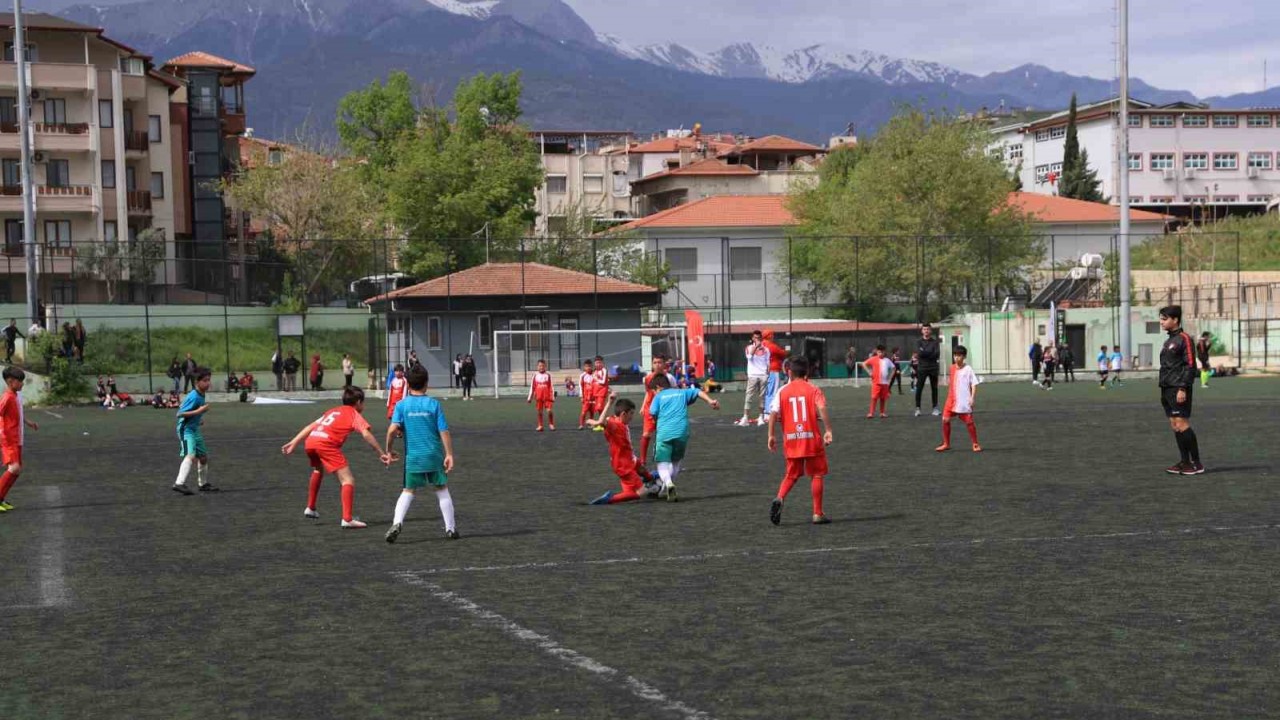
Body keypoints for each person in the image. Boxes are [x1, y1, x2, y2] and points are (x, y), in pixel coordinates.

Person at [282, 387, 389, 529]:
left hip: (311, 441)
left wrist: (294, 442)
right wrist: (381, 453)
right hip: (326, 444)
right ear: (358, 402)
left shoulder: (332, 411)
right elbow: (366, 434)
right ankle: (347, 519)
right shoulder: (353, 414)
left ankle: (311, 507)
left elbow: (311, 426)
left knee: (318, 469)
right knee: (348, 480)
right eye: (363, 403)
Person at [384, 365, 457, 543]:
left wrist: (389, 450)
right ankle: (450, 528)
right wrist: (449, 454)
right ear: (426, 383)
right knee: (441, 489)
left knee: (408, 490)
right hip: (433, 455)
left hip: (414, 457)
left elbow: (392, 430)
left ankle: (397, 523)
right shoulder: (434, 404)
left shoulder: (401, 405)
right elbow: (444, 431)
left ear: (407, 384)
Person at [766, 356, 833, 526]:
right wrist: (828, 430)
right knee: (816, 474)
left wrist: (771, 435)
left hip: (792, 440)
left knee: (791, 475)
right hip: (811, 439)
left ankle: (780, 498)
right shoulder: (813, 389)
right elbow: (822, 407)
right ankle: (817, 513)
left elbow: (773, 413)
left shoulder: (783, 391)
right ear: (808, 371)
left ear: (789, 372)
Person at [647, 373, 720, 501]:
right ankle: (666, 487)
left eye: (653, 391)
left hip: (664, 433)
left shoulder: (658, 397)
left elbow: (652, 413)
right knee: (675, 462)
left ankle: (668, 483)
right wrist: (710, 401)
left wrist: (657, 420)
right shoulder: (681, 392)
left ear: (658, 387)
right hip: (681, 432)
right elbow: (697, 391)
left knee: (662, 463)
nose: (654, 393)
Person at [587, 394, 658, 505]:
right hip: (623, 465)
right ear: (623, 414)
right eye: (631, 414)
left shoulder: (614, 420)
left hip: (629, 459)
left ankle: (651, 478)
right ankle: (610, 499)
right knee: (642, 493)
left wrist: (593, 422)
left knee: (641, 470)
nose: (632, 417)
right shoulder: (615, 425)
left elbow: (602, 421)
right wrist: (609, 402)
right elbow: (601, 422)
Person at [1158, 306, 1204, 475]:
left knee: (1182, 424)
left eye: (1164, 318)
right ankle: (1184, 462)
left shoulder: (1184, 339)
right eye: (1161, 318)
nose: (1161, 322)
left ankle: (1196, 463)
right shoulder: (1169, 341)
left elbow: (1190, 365)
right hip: (1166, 388)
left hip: (1178, 388)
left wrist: (1183, 388)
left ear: (1175, 320)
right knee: (1175, 425)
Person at [171, 367, 217, 495]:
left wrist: (198, 419)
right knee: (190, 455)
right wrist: (199, 412)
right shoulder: (193, 396)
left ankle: (203, 485)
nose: (208, 383)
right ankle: (179, 483)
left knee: (203, 457)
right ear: (197, 382)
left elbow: (193, 412)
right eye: (205, 380)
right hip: (185, 430)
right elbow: (179, 414)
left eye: (209, 380)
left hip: (194, 429)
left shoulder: (201, 394)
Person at [0, 367, 37, 513]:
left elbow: (17, 414)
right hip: (8, 438)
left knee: (17, 470)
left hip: (16, 438)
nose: (22, 384)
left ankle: (1, 498)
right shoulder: (7, 397)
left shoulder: (15, 395)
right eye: (20, 381)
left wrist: (28, 422)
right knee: (14, 468)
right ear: (10, 381)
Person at [936, 345, 981, 453]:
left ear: (964, 357)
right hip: (951, 400)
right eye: (955, 355)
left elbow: (974, 384)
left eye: (959, 355)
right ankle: (946, 444)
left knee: (969, 422)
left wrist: (972, 398)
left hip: (963, 401)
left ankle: (975, 443)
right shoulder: (951, 368)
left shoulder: (968, 369)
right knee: (945, 420)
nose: (956, 358)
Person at [737, 330, 770, 426]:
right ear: (752, 338)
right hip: (752, 376)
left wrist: (767, 374)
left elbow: (768, 363)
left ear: (761, 338)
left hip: (763, 375)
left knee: (762, 397)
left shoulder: (766, 350)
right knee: (749, 396)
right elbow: (749, 357)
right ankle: (745, 417)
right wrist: (756, 346)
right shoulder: (749, 348)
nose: (758, 339)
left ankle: (761, 417)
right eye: (755, 338)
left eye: (759, 338)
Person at [638, 356, 667, 463]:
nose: (657, 365)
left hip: (663, 411)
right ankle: (642, 460)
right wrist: (642, 406)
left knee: (664, 436)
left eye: (660, 362)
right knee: (646, 434)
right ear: (652, 365)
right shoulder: (648, 378)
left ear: (664, 364)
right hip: (649, 410)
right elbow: (648, 392)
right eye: (655, 362)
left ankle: (665, 459)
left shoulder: (669, 378)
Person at [760, 329, 787, 424]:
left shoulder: (760, 345)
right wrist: (787, 350)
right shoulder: (771, 346)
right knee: (773, 392)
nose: (773, 336)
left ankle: (766, 413)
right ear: (769, 336)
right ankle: (769, 413)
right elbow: (783, 354)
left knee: (766, 392)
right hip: (773, 370)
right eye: (772, 334)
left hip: (762, 372)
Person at [915, 324, 941, 417]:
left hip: (933, 368)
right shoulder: (918, 342)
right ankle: (918, 408)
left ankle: (935, 408)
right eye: (924, 329)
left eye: (928, 329)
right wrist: (928, 353)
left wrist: (925, 352)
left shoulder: (935, 342)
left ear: (930, 331)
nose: (926, 331)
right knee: (919, 388)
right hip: (922, 368)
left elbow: (937, 354)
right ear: (922, 331)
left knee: (934, 388)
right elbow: (920, 354)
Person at [863, 345, 894, 418]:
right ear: (877, 352)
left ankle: (882, 413)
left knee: (883, 398)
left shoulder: (887, 360)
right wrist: (869, 372)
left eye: (882, 352)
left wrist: (890, 377)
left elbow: (893, 368)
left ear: (885, 352)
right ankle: (871, 413)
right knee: (874, 397)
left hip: (885, 383)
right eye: (879, 352)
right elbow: (864, 364)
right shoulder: (873, 359)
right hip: (876, 382)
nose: (881, 353)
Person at [527, 358, 556, 431]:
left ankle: (551, 424)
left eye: (543, 366)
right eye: (540, 366)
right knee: (539, 411)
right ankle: (540, 425)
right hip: (539, 397)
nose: (541, 367)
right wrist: (529, 398)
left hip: (547, 397)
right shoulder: (535, 376)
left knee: (549, 410)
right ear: (537, 367)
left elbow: (551, 386)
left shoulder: (548, 375)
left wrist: (552, 397)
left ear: (545, 366)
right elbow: (532, 387)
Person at [589, 356, 610, 432]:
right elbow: (593, 382)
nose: (598, 364)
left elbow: (603, 381)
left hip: (602, 392)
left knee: (600, 408)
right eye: (596, 363)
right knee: (599, 409)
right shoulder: (595, 371)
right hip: (596, 393)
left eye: (599, 362)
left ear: (602, 363)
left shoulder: (604, 370)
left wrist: (596, 378)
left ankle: (602, 424)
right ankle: (604, 423)